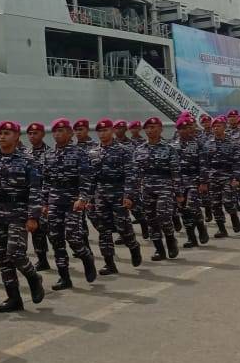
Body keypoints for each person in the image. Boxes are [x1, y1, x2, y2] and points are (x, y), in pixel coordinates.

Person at [0, 121, 46, 312]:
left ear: (16, 137)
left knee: (15, 253)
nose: (2, 136)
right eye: (0, 133)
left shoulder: (28, 161)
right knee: (3, 257)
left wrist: (33, 217)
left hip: (18, 214)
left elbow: (35, 191)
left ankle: (33, 277)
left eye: (7, 133)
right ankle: (14, 298)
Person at [41, 118, 97, 289]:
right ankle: (64, 277)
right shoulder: (48, 155)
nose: (57, 134)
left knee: (73, 237)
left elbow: (87, 178)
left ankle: (86, 257)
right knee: (56, 239)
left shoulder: (80, 153)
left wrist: (83, 198)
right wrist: (44, 202)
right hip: (55, 200)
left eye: (62, 131)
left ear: (70, 133)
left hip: (73, 200)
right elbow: (46, 181)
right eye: (55, 131)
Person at [88, 118, 142, 273]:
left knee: (123, 226)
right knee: (103, 230)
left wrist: (129, 195)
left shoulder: (123, 150)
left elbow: (131, 174)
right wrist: (90, 198)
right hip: (101, 194)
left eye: (105, 130)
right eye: (99, 131)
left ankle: (133, 246)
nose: (102, 133)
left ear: (111, 131)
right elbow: (91, 178)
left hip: (118, 192)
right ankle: (109, 263)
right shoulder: (93, 152)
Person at [128, 117, 180, 261]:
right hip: (147, 187)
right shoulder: (139, 150)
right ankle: (159, 250)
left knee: (163, 216)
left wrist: (179, 192)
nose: (151, 130)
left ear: (161, 129)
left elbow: (175, 171)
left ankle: (170, 240)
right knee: (151, 219)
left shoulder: (169, 148)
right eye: (148, 128)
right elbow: (135, 174)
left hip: (165, 186)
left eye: (154, 127)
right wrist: (131, 194)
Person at [202, 116, 240, 237]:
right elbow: (205, 163)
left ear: (224, 127)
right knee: (215, 204)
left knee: (228, 201)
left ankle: (234, 217)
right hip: (213, 177)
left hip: (228, 176)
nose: (215, 128)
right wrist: (204, 179)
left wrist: (236, 178)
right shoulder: (208, 144)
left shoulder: (232, 143)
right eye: (214, 126)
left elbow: (237, 162)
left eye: (218, 126)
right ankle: (221, 228)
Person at [173, 115, 210, 248]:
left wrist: (204, 182)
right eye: (182, 128)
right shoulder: (173, 145)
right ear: (177, 130)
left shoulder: (199, 144)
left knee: (192, 207)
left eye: (188, 128)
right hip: (179, 182)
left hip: (194, 180)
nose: (185, 131)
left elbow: (204, 164)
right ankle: (191, 238)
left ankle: (201, 227)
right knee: (183, 210)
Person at [25, 122, 52, 271]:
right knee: (36, 230)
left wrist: (46, 200)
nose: (32, 136)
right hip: (32, 198)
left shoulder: (50, 153)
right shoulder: (26, 155)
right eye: (30, 133)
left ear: (42, 134)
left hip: (48, 196)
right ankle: (42, 259)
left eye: (35, 133)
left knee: (51, 230)